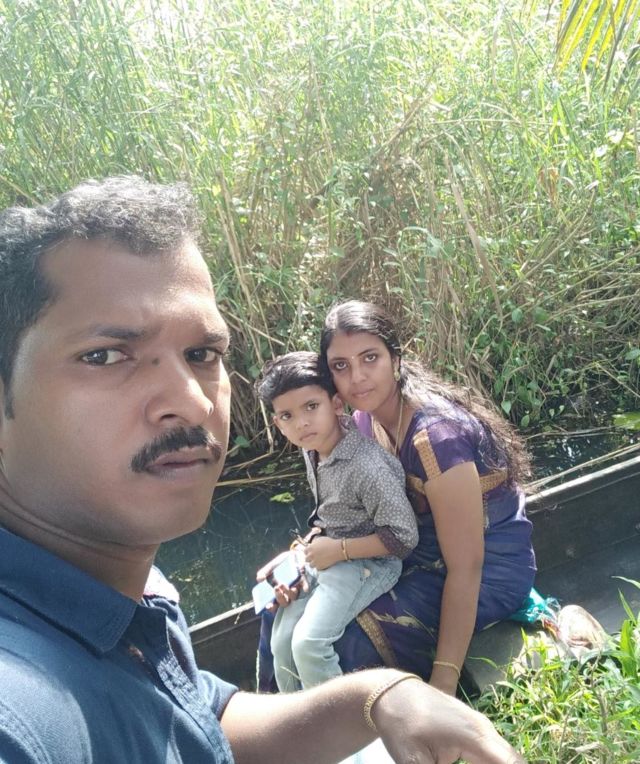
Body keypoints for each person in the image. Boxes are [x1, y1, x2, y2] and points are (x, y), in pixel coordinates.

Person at [0, 176, 525, 764]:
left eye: (202, 354)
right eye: (104, 356)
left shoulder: (142, 592)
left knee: (337, 637)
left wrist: (387, 695)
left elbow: (193, 715)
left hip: (452, 566)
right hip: (398, 556)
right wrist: (307, 553)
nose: (192, 402)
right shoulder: (18, 712)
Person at [259, 300, 536, 698]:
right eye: (340, 366)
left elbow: (467, 567)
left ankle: (349, 730)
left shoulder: (437, 441)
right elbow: (352, 512)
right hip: (408, 552)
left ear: (396, 358)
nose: (357, 377)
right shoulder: (363, 419)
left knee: (344, 641)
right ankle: (288, 724)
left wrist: (444, 682)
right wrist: (300, 556)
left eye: (370, 358)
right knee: (278, 611)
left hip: (485, 571)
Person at [255, 351, 418, 692]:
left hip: (371, 562)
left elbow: (404, 538)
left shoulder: (366, 466)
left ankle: (341, 723)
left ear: (336, 404)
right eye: (288, 415)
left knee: (309, 644)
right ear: (277, 423)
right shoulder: (312, 448)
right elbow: (329, 516)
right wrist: (299, 555)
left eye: (311, 407)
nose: (301, 423)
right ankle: (296, 717)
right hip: (327, 555)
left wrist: (339, 550)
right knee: (281, 643)